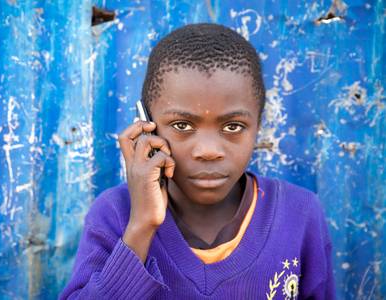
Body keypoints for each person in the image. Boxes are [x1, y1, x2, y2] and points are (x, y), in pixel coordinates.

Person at [59, 23, 335, 299]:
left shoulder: (299, 213)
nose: (208, 150)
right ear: (147, 125)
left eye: (233, 127)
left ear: (258, 125)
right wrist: (142, 226)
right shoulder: (116, 213)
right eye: (181, 125)